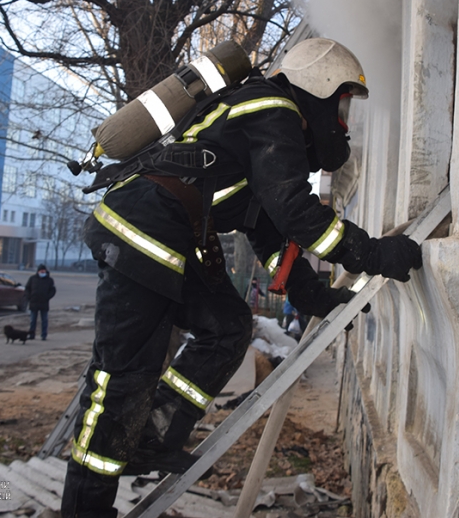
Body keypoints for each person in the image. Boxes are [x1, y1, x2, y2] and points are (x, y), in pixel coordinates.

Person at [61, 38, 424, 518]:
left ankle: (153, 437)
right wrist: (377, 254)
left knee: (227, 326)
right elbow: (296, 212)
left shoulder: (265, 128)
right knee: (122, 378)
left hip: (168, 241)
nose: (343, 123)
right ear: (317, 87)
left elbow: (269, 229)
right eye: (341, 105)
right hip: (138, 234)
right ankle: (84, 509)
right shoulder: (273, 110)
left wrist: (312, 295)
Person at [25, 264, 56, 340]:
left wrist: (47, 297)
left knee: (44, 320)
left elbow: (53, 290)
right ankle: (32, 335)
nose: (42, 272)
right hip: (33, 303)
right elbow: (27, 288)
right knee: (33, 321)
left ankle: (44, 335)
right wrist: (29, 297)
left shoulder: (49, 280)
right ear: (38, 271)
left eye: (43, 271)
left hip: (44, 303)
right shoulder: (32, 279)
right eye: (41, 271)